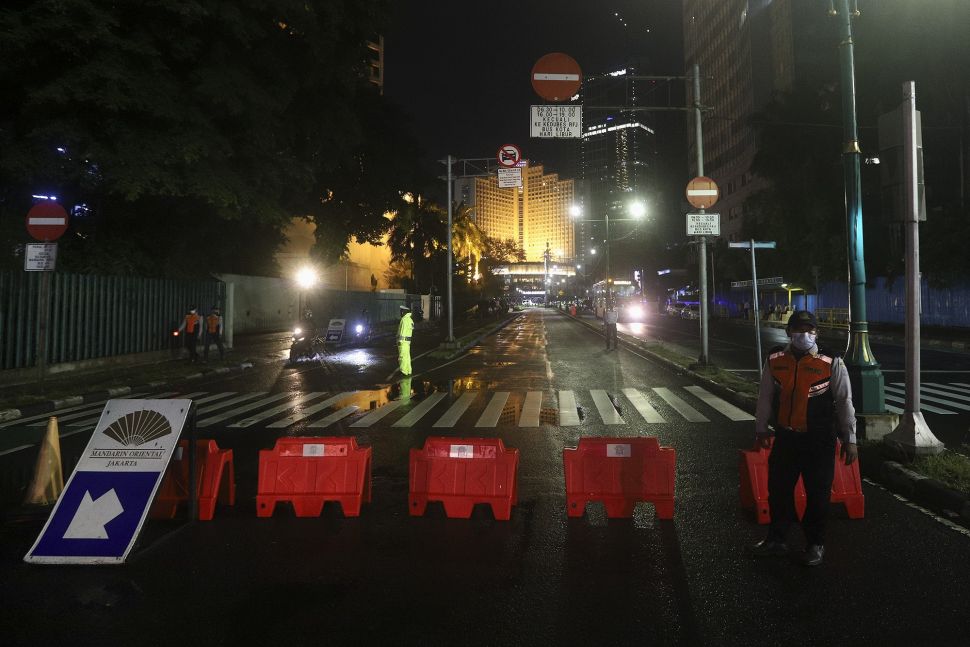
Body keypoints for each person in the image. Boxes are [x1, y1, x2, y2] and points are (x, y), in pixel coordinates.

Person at [750, 309, 858, 567]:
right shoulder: (775, 358)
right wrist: (761, 427)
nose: (804, 335)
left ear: (817, 333)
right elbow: (765, 395)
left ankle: (815, 545)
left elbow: (844, 401)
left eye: (810, 330)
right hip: (786, 438)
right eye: (799, 330)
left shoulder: (831, 361)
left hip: (819, 441)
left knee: (818, 495)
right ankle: (777, 540)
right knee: (778, 490)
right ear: (789, 332)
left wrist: (850, 438)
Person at [397, 304, 414, 376]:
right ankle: (408, 370)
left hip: (403, 342)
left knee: (402, 357)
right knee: (407, 356)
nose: (400, 313)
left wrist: (400, 341)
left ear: (404, 312)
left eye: (401, 311)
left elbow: (402, 332)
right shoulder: (410, 320)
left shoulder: (404, 320)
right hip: (408, 341)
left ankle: (403, 371)